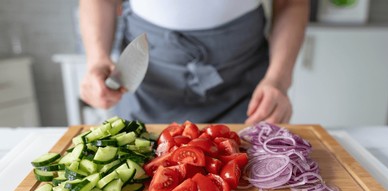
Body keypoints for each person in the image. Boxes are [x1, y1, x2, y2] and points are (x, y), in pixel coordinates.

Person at [79, 0, 309, 124]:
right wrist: (97, 59)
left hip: (243, 83)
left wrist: (278, 79)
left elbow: (291, 3)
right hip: (145, 79)